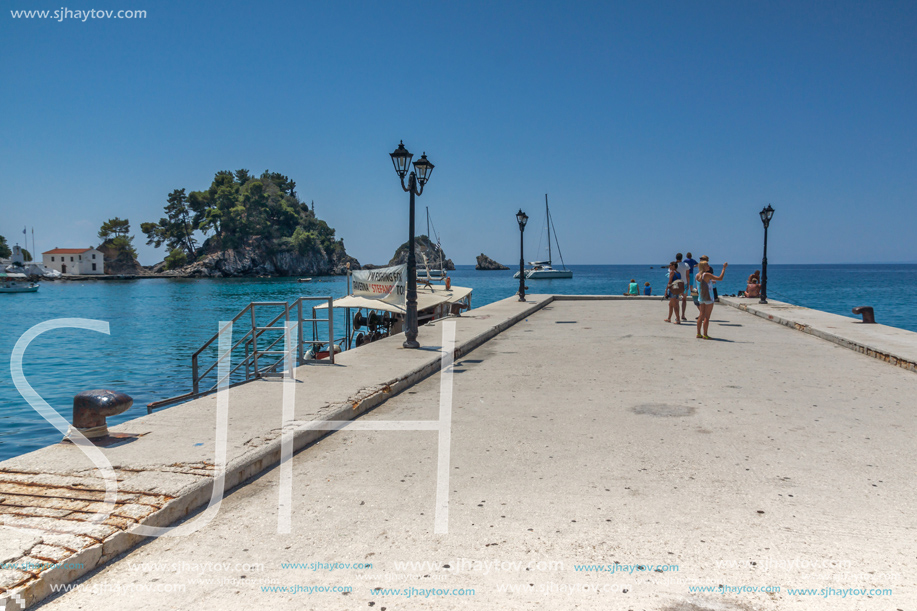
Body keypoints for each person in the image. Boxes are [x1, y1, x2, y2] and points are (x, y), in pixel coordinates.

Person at [695, 260, 728, 339]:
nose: (709, 266)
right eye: (707, 265)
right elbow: (720, 278)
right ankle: (705, 334)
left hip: (701, 297)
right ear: (703, 267)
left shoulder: (697, 275)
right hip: (708, 298)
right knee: (707, 317)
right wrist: (724, 268)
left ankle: (698, 333)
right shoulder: (707, 274)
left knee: (701, 315)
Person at [675, 253, 690, 321]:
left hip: (677, 284)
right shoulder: (686, 265)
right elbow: (687, 275)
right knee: (684, 299)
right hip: (684, 283)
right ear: (682, 258)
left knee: (677, 300)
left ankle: (677, 315)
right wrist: (689, 284)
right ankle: (683, 315)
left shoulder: (675, 265)